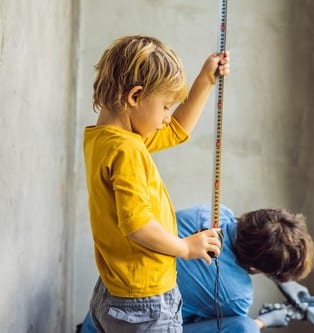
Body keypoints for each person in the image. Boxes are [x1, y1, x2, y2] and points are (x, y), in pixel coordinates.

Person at [83, 35, 230, 333]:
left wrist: (205, 80)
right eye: (165, 106)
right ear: (135, 97)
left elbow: (175, 130)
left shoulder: (104, 138)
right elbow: (137, 226)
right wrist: (185, 248)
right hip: (145, 303)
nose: (166, 118)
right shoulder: (128, 149)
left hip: (113, 292)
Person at [78, 204, 314, 332]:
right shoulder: (237, 297)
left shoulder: (210, 214)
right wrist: (264, 321)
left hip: (101, 312)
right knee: (245, 329)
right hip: (133, 329)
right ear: (256, 267)